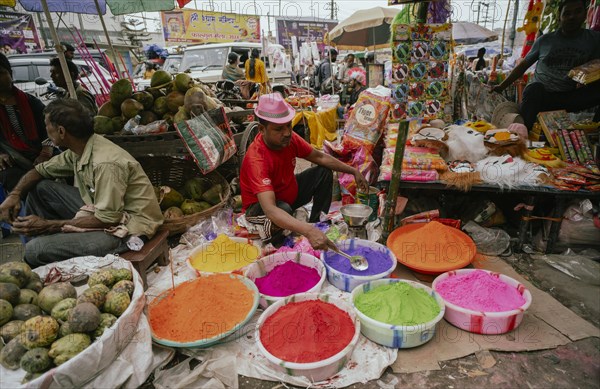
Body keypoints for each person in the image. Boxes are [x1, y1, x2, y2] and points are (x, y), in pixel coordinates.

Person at [0, 99, 163, 267]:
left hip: (129, 227)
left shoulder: (106, 163)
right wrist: (14, 195)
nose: (45, 130)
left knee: (34, 250)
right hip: (104, 211)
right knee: (40, 188)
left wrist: (49, 226)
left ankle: (44, 248)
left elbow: (108, 220)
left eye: (47, 126)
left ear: (61, 131)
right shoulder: (80, 148)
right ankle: (49, 245)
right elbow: (41, 170)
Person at [240, 93, 368, 250]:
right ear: (262, 129)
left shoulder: (289, 138)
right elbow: (271, 209)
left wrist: (353, 171)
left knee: (323, 172)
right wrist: (307, 231)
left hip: (287, 196)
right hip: (262, 209)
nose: (287, 132)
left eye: (288, 125)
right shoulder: (257, 159)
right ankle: (280, 243)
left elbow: (320, 157)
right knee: (282, 210)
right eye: (279, 129)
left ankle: (318, 224)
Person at [492, 0, 600, 129]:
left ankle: (595, 130)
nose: (572, 17)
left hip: (570, 95)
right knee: (533, 88)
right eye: (567, 13)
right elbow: (523, 66)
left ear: (585, 14)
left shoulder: (594, 40)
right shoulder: (545, 41)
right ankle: (523, 134)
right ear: (559, 17)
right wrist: (502, 86)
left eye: (577, 12)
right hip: (544, 95)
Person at [0, 53, 52, 192]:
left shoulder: (31, 102)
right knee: (11, 177)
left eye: (1, 73)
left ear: (10, 74)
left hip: (40, 152)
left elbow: (50, 130)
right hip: (12, 159)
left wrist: (45, 152)